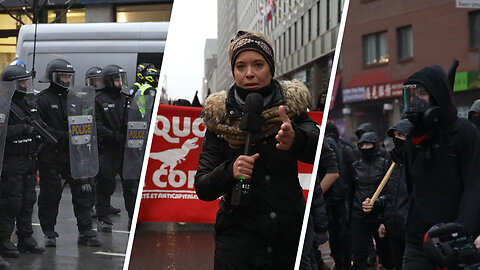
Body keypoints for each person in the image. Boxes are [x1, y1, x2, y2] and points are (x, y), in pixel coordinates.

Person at [194, 30, 319, 270]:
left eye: (258, 64)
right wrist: (230, 171)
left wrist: (297, 140)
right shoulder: (218, 119)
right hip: (237, 243)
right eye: (241, 66)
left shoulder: (292, 111)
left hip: (288, 238)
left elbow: (320, 150)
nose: (249, 73)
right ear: (233, 72)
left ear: (271, 67)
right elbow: (203, 186)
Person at [401, 65, 480, 269]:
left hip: (455, 239)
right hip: (417, 241)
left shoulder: (465, 134)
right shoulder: (413, 139)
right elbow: (410, 188)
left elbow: (475, 187)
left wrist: (464, 230)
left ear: (437, 96)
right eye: (412, 94)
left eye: (421, 93)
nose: (416, 100)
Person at [36, 58, 100, 247]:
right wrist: (64, 135)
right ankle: (48, 232)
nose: (65, 80)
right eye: (62, 76)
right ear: (52, 76)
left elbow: (87, 120)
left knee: (83, 191)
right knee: (50, 194)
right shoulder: (42, 99)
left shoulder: (77, 97)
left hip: (75, 153)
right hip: (52, 155)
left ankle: (86, 230)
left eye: (68, 76)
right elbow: (41, 127)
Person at [0, 65, 45, 259]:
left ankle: (25, 237)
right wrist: (22, 130)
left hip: (28, 159)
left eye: (27, 81)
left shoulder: (28, 102)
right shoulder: (3, 104)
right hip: (11, 160)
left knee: (28, 201)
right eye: (22, 82)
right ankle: (3, 240)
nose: (26, 85)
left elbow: (39, 123)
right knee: (11, 202)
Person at [362, 119, 412, 270]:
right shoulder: (394, 162)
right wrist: (379, 211)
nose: (398, 139)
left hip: (412, 233)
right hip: (395, 232)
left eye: (402, 135)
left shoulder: (418, 164)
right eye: (395, 135)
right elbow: (392, 195)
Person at [350, 131, 394, 270]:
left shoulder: (384, 164)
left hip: (379, 214)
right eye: (362, 145)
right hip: (359, 213)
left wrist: (383, 212)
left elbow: (390, 189)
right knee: (359, 253)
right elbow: (351, 190)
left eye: (368, 144)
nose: (365, 147)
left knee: (385, 253)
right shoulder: (356, 165)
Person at [95, 64, 128, 232]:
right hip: (106, 148)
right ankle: (103, 218)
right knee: (105, 183)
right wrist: (113, 135)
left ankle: (132, 216)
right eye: (117, 79)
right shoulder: (99, 99)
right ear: (109, 81)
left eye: (122, 79)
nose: (121, 82)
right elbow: (96, 125)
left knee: (130, 183)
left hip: (125, 149)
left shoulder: (125, 98)